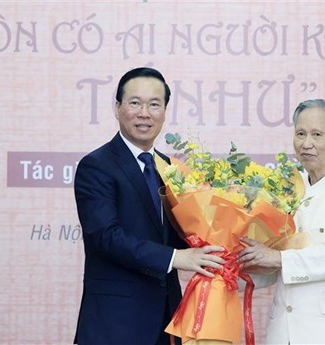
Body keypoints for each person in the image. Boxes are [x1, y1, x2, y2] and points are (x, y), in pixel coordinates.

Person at [73, 67, 225, 345]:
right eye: (135, 103)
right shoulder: (96, 166)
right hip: (114, 323)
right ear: (117, 108)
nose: (145, 113)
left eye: (154, 104)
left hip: (167, 321)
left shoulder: (170, 169)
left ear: (165, 111)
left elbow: (182, 234)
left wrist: (221, 243)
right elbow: (105, 236)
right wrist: (176, 258)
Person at [238, 99, 325, 344]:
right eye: (300, 134)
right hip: (283, 331)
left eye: (316, 134)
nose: (306, 144)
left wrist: (277, 258)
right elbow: (271, 267)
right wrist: (231, 270)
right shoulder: (285, 188)